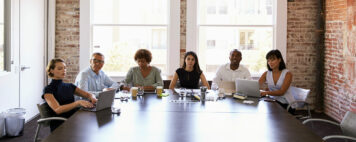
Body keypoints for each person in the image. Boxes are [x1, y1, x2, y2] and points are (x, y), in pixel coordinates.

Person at [42, 58, 97, 131]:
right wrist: (78, 103)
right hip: (61, 123)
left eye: (64, 68)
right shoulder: (48, 90)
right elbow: (58, 109)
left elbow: (88, 95)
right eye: (60, 68)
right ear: (51, 70)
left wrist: (92, 97)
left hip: (73, 119)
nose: (64, 70)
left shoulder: (69, 86)